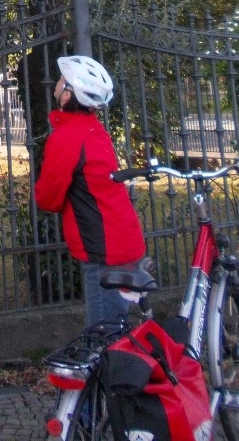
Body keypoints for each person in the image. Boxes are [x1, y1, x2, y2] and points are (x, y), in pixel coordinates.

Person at [33, 54, 146, 327]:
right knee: (121, 329)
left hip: (103, 251)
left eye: (62, 81)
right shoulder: (94, 129)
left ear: (69, 94)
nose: (57, 84)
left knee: (105, 338)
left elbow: (47, 198)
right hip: (124, 242)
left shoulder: (67, 137)